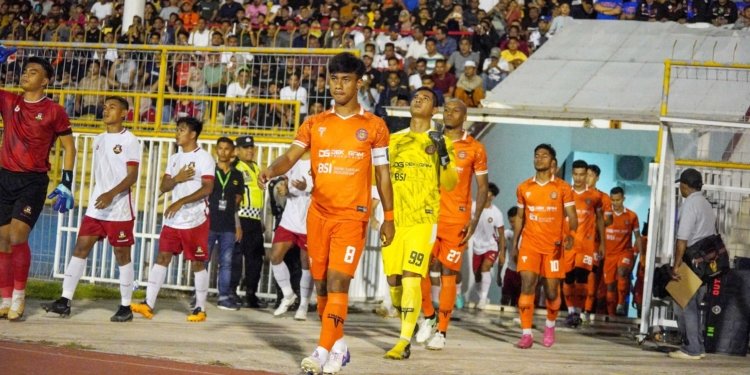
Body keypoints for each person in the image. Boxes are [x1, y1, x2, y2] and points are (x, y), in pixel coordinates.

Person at [258, 52, 394, 375]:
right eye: (334, 79)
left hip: (352, 217)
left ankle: (320, 352)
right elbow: (290, 158)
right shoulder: (314, 123)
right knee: (321, 288)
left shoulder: (374, 126)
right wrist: (270, 170)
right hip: (317, 216)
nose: (338, 85)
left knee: (338, 282)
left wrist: (389, 217)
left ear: (359, 83)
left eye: (346, 79)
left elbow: (383, 175)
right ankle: (339, 346)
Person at [40, 97, 140, 321]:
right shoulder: (99, 139)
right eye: (105, 107)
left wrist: (110, 194)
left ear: (124, 113)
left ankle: (126, 307)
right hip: (97, 206)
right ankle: (65, 301)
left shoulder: (130, 141)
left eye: (112, 107)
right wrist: (101, 194)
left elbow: (132, 176)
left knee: (122, 254)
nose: (106, 110)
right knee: (81, 247)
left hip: (119, 208)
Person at [383, 88, 458, 359]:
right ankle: (417, 321)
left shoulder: (441, 141)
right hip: (394, 220)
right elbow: (377, 179)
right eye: (417, 97)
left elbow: (450, 183)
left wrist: (443, 155)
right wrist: (376, 215)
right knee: (394, 284)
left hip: (423, 220)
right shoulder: (394, 140)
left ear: (435, 110)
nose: (418, 100)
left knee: (412, 278)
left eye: (426, 99)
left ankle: (403, 343)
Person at [0, 56, 76, 321]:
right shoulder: (9, 101)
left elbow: (69, 147)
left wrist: (66, 182)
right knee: (2, 239)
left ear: (45, 81)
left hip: (33, 180)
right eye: (23, 71)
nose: (25, 75)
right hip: (4, 178)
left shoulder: (54, 111)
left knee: (18, 237)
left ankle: (20, 297)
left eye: (32, 72)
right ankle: (5, 297)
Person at [415, 99, 488, 351]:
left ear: (465, 116)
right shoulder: (429, 141)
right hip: (427, 216)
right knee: (418, 269)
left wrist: (474, 220)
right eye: (446, 109)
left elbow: (483, 187)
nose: (449, 113)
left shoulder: (475, 148)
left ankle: (442, 331)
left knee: (448, 274)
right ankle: (428, 316)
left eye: (455, 110)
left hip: (456, 221)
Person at [131, 117, 215, 322]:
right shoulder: (174, 158)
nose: (177, 133)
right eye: (177, 129)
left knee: (196, 262)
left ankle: (200, 309)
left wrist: (181, 202)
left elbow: (208, 188)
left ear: (193, 134)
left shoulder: (205, 158)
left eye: (182, 130)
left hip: (195, 218)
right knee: (162, 257)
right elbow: (164, 186)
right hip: (173, 218)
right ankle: (148, 304)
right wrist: (177, 178)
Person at [513, 144, 577, 349]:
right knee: (527, 285)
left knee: (551, 292)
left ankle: (550, 326)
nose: (539, 158)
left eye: (544, 156)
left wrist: (570, 235)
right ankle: (526, 334)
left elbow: (573, 217)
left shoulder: (562, 188)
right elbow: (520, 217)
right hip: (530, 245)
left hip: (553, 247)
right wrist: (515, 243)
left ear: (552, 162)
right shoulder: (524, 187)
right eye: (537, 155)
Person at [669, 168, 714, 360]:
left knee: (684, 303)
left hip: (691, 260)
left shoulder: (690, 204)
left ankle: (692, 348)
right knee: (691, 303)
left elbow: (682, 239)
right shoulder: (705, 203)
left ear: (685, 186)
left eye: (681, 185)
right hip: (706, 261)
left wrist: (676, 265)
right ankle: (697, 345)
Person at [270, 151, 314, 320]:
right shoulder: (291, 160)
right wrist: (284, 189)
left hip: (309, 220)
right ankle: (288, 295)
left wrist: (307, 188)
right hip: (290, 218)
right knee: (275, 256)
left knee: (306, 263)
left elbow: (326, 189)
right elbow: (285, 184)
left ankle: (303, 304)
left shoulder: (320, 160)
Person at [562, 160, 603, 328]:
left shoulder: (595, 196)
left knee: (582, 278)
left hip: (586, 245)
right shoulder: (565, 192)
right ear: (572, 174)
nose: (578, 178)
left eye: (582, 174)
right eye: (575, 174)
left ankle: (578, 313)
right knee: (568, 278)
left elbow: (600, 219)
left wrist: (602, 244)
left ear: (587, 175)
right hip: (568, 244)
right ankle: (571, 311)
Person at [209, 137, 244, 310]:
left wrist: (237, 224)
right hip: (208, 223)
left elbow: (236, 202)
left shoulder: (237, 175)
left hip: (228, 225)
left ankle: (223, 297)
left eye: (227, 149)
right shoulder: (209, 170)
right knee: (202, 260)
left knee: (227, 262)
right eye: (220, 148)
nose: (223, 152)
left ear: (232, 152)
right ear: (216, 150)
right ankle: (197, 295)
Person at [232, 135, 267, 308]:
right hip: (242, 217)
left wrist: (260, 218)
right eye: (245, 148)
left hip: (254, 218)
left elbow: (257, 195)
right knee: (238, 258)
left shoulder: (255, 167)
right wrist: (236, 221)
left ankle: (250, 294)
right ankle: (232, 293)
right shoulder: (236, 168)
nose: (250, 151)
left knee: (256, 259)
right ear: (237, 151)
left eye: (251, 147)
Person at [604, 186, 642, 317]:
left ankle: (620, 304)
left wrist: (641, 256)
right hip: (609, 255)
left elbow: (638, 237)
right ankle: (611, 315)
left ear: (623, 199)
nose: (615, 203)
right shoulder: (606, 215)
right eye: (613, 200)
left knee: (622, 272)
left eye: (618, 200)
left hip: (625, 252)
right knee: (610, 286)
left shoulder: (631, 216)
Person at [583, 164, 612, 322]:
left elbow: (608, 219)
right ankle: (572, 310)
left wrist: (595, 222)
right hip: (577, 243)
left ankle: (586, 312)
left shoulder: (603, 198)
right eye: (585, 174)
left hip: (593, 244)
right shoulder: (575, 193)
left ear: (597, 178)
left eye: (591, 175)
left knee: (591, 279)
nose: (587, 178)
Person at [468, 183, 505, 310]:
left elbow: (501, 234)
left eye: (488, 192)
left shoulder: (497, 213)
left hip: (491, 246)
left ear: (493, 196)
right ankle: (482, 296)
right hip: (477, 246)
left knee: (485, 267)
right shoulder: (473, 207)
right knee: (477, 274)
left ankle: (483, 299)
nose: (485, 194)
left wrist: (502, 254)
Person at [501, 207, 521, 306]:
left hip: (522, 273)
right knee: (504, 298)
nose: (512, 224)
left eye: (514, 221)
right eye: (510, 222)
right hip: (510, 271)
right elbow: (502, 255)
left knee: (518, 301)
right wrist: (498, 275)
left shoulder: (527, 235)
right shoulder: (507, 233)